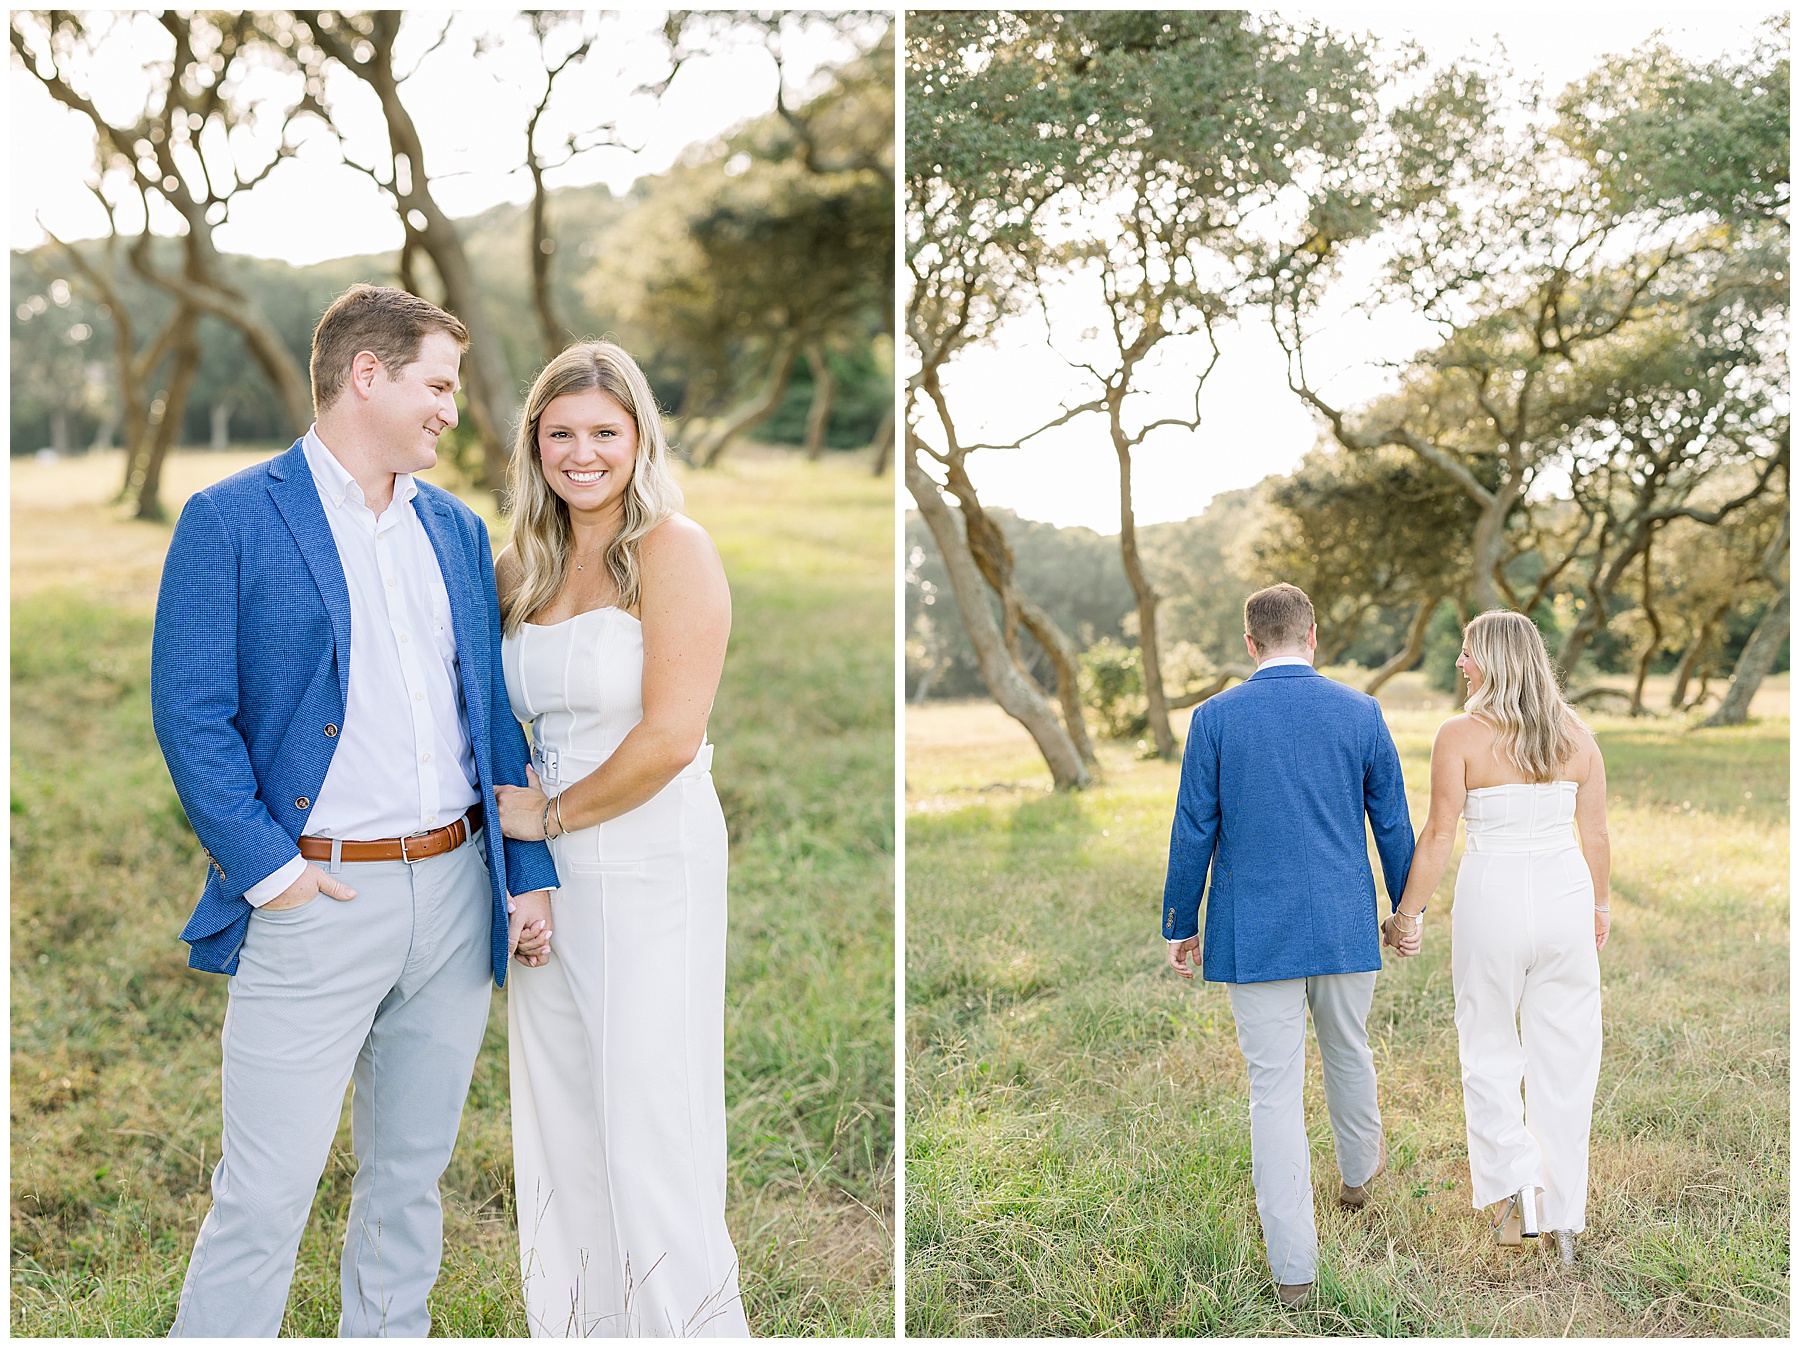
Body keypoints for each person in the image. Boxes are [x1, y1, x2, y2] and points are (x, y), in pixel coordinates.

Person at [149, 284, 558, 1337]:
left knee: (407, 1187)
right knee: (264, 1194)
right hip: (315, 898)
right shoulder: (230, 517)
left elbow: (491, 717)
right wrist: (272, 874)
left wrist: (525, 875)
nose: (450, 410)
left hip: (458, 892)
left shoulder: (458, 532)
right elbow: (193, 715)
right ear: (366, 377)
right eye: (436, 384)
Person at [490, 341, 748, 1337]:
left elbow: (673, 737)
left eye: (604, 431)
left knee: (651, 1120)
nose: (583, 453)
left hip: (650, 859)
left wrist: (547, 817)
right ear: (535, 445)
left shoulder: (675, 549)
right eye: (562, 434)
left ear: (638, 436)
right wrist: (528, 867)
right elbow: (497, 721)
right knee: (560, 1119)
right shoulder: (522, 565)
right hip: (551, 879)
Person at [1163, 583, 1415, 1309]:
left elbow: (1192, 827)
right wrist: (1407, 910)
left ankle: (1294, 1271)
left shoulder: (1214, 717)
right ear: (1312, 636)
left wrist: (1181, 919)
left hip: (1254, 930)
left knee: (1272, 1090)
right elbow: (1393, 824)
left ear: (1250, 644)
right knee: (1348, 1047)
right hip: (1342, 923)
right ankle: (1359, 1179)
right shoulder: (1360, 711)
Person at [1383, 610, 1609, 1269]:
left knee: (1488, 1047)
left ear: (1496, 662)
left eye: (1468, 653)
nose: (1459, 663)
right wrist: (1598, 906)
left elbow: (1440, 836)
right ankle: (1561, 1217)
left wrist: (1408, 916)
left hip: (1494, 900)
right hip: (1566, 897)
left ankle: (1521, 1199)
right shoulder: (1579, 737)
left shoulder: (1461, 735)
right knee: (1567, 1062)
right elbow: (1594, 836)